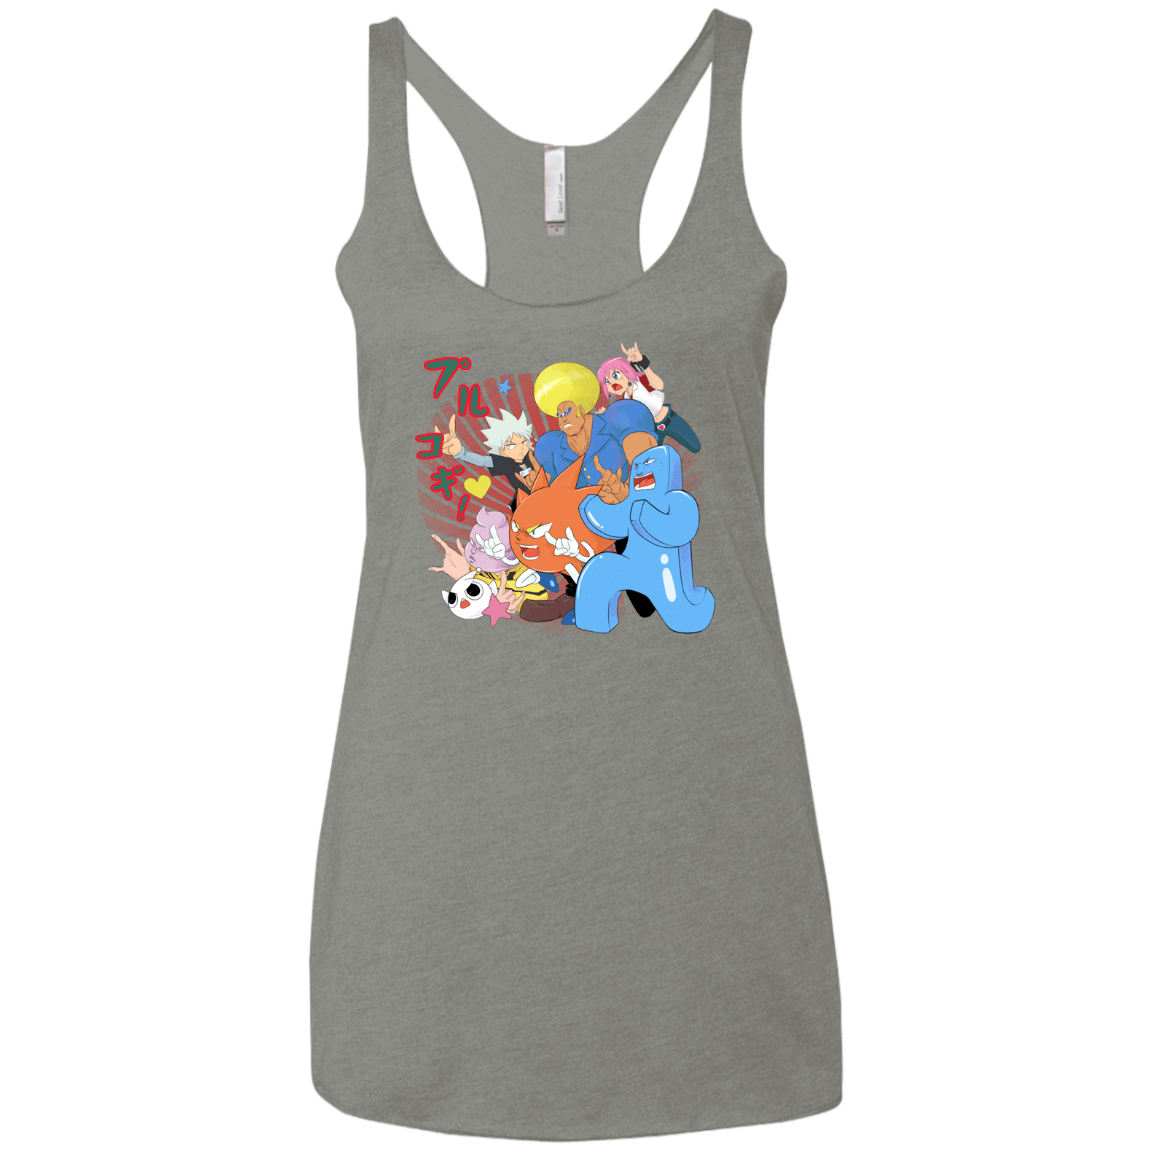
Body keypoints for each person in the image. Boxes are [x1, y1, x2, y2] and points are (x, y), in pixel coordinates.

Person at [596, 341, 701, 453]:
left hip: (670, 419)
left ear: (626, 371)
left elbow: (659, 385)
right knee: (652, 458)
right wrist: (605, 416)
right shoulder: (624, 401)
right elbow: (622, 421)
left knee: (695, 447)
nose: (613, 383)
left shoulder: (640, 382)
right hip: (652, 430)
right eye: (607, 382)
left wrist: (644, 364)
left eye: (615, 376)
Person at [436, 410, 540, 510]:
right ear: (501, 450)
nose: (520, 448)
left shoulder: (535, 456)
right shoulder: (507, 464)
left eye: (523, 442)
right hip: (524, 503)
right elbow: (483, 461)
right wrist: (461, 453)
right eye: (512, 445)